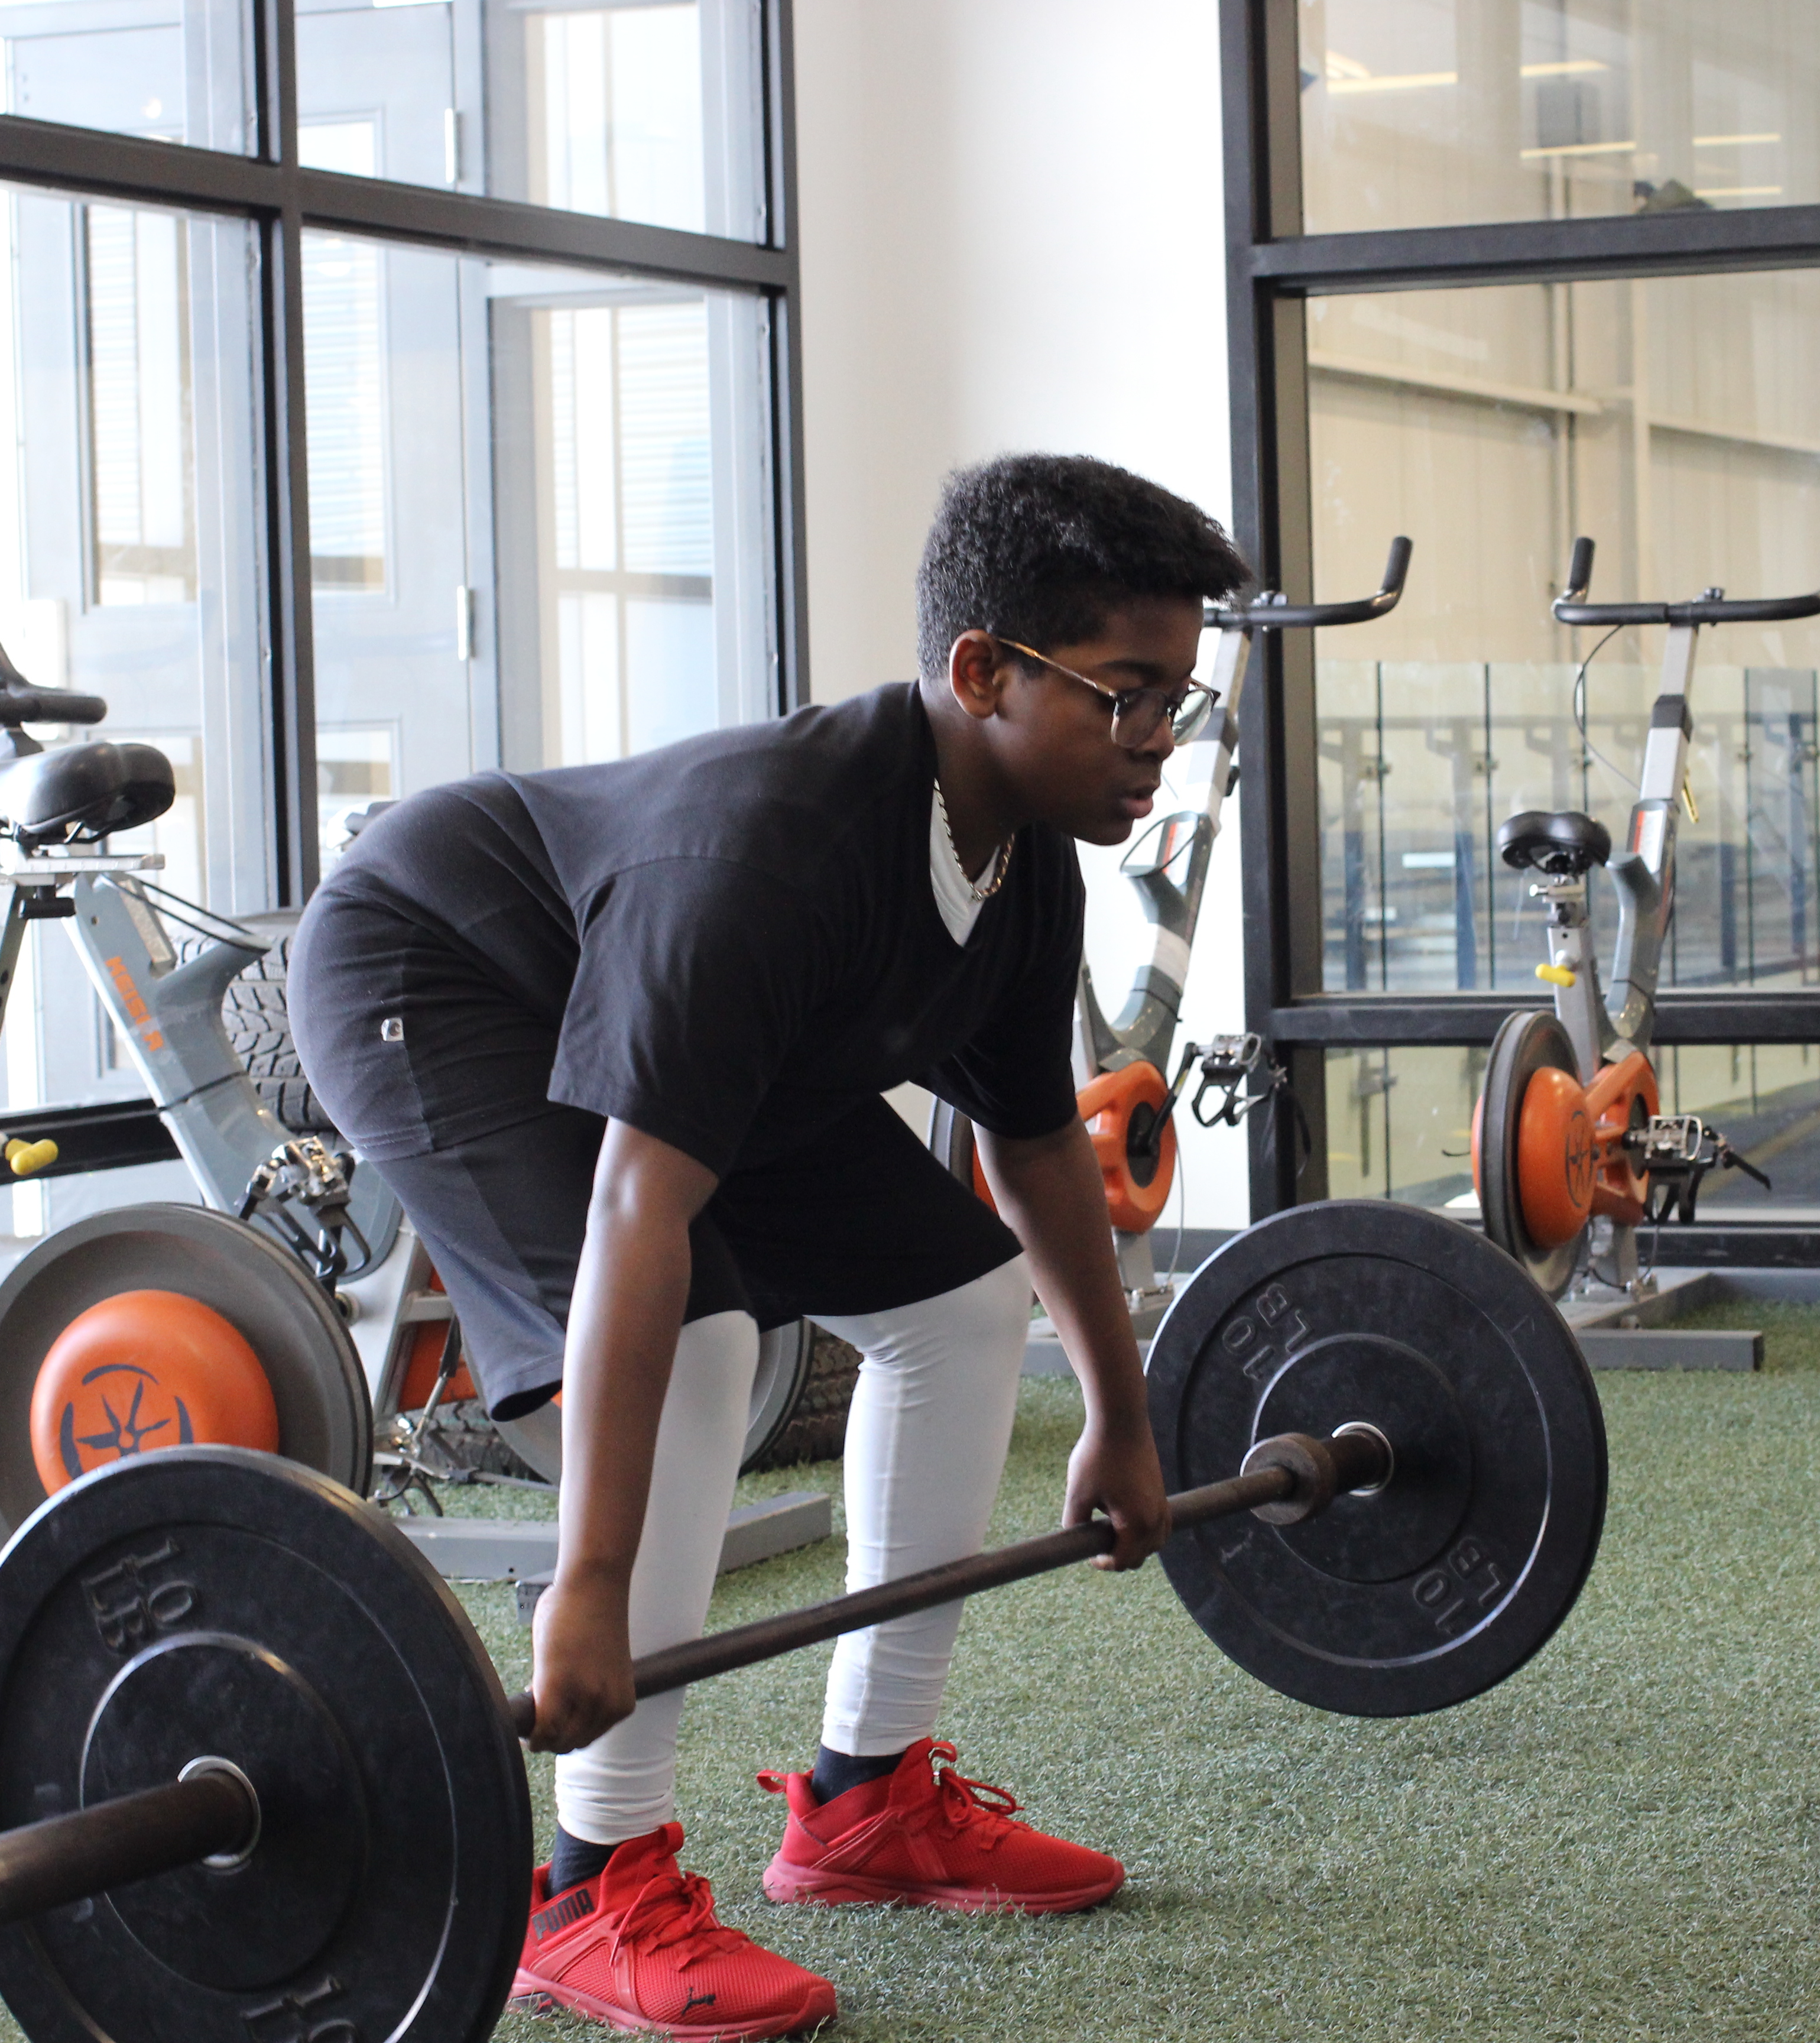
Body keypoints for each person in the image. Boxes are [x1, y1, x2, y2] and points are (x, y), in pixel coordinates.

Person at [291, 453, 1251, 2039]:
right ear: (981, 671)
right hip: (437, 968)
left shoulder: (1021, 871)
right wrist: (588, 1590)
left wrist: (1124, 1417)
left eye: (1181, 707)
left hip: (695, 1016)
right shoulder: (769, 852)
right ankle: (589, 1885)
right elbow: (636, 1216)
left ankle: (866, 1800)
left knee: (956, 1300)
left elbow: (1032, 1154)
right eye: (1128, 697)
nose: (1158, 744)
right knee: (703, 1340)